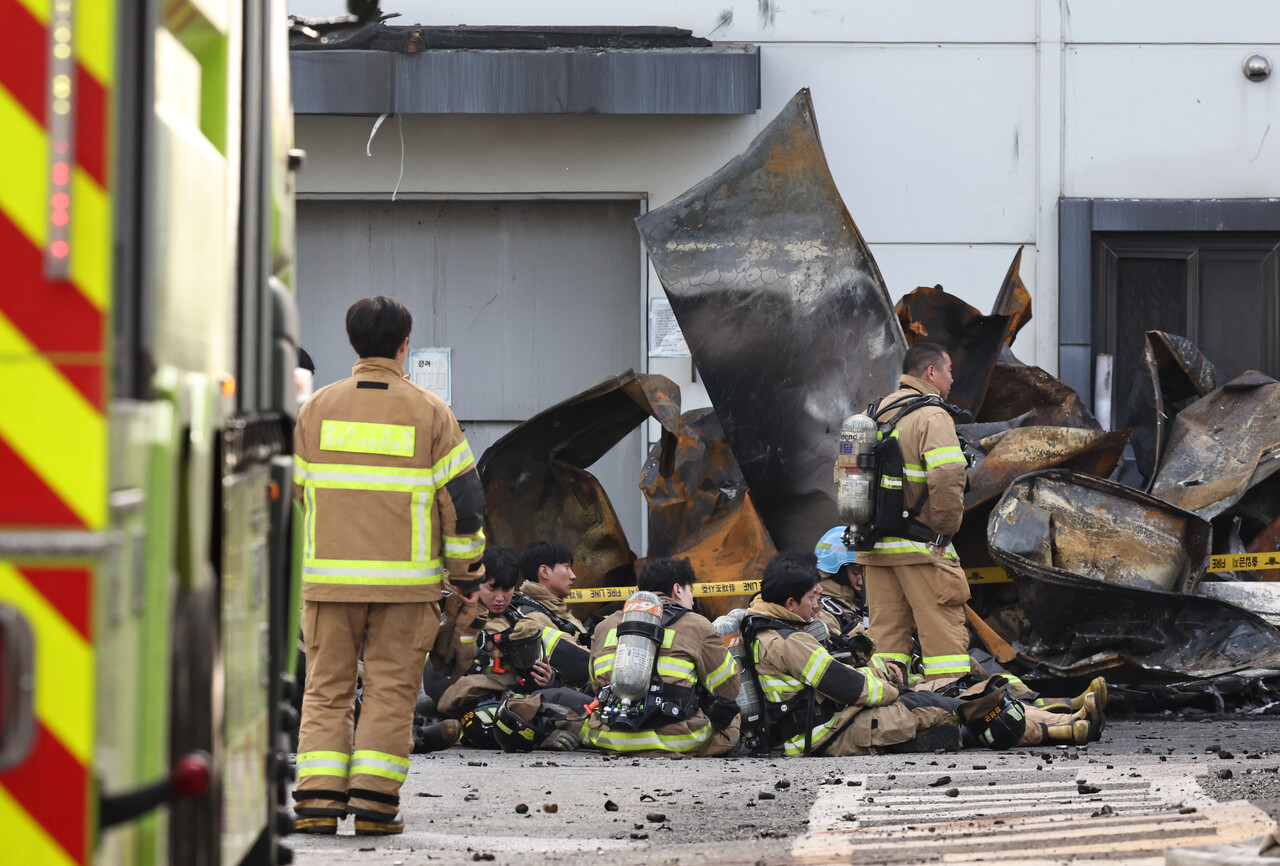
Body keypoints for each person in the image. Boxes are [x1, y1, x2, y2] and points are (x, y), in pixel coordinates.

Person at [291, 296, 486, 836]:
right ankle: (375, 805)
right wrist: (467, 575)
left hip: (328, 586)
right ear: (405, 345)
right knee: (389, 692)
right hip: (405, 590)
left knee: (325, 690)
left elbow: (293, 497)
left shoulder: (316, 410)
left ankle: (317, 801)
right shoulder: (431, 412)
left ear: (353, 342)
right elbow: (463, 504)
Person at [742, 552, 1102, 756]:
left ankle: (1061, 719)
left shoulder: (792, 622)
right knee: (952, 712)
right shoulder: (787, 640)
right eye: (813, 598)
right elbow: (848, 686)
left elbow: (850, 663)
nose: (819, 604)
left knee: (950, 705)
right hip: (826, 733)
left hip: (840, 717)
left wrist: (884, 674)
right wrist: (895, 691)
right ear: (790, 602)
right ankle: (1061, 730)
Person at [859, 342, 972, 689]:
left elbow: (842, 475)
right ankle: (950, 706)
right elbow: (948, 476)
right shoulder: (933, 416)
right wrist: (945, 531)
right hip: (923, 549)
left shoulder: (871, 414)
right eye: (949, 370)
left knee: (885, 644)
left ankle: (890, 705)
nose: (952, 378)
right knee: (944, 643)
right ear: (931, 372)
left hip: (876, 550)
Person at [578, 557, 742, 756]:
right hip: (678, 739)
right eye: (690, 591)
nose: (692, 600)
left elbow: (596, 685)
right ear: (677, 590)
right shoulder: (698, 625)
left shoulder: (604, 626)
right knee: (732, 717)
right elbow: (727, 688)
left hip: (610, 737)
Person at [512, 540, 587, 640]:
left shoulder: (557, 610)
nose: (573, 576)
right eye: (566, 567)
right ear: (544, 572)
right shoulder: (533, 618)